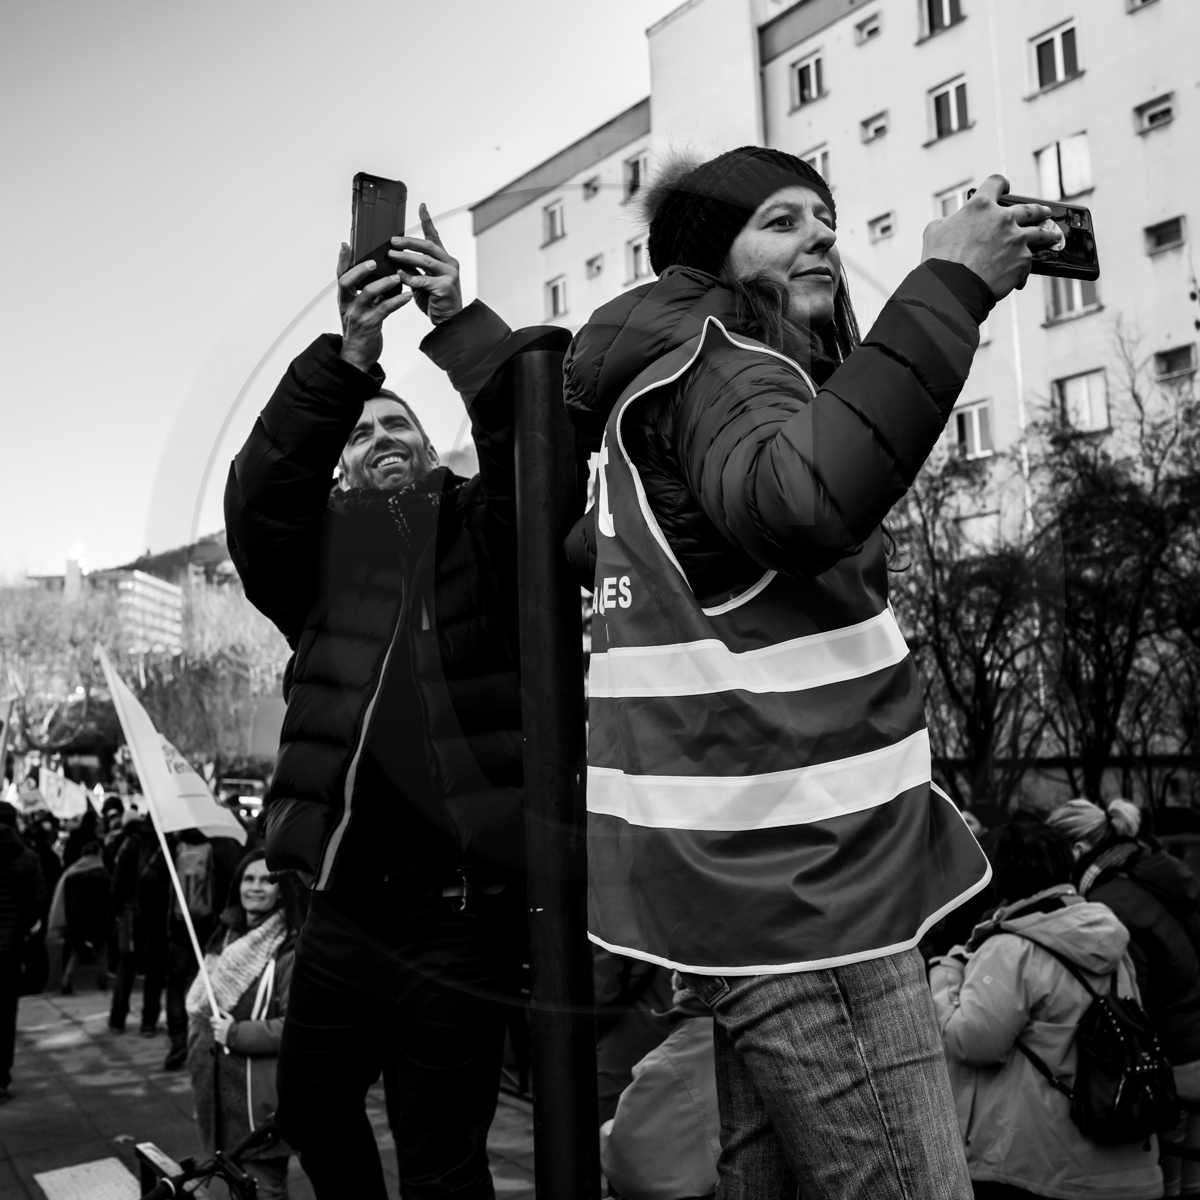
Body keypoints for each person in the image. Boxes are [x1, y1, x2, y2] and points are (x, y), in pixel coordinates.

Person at [562, 147, 1061, 1198]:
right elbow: (801, 502)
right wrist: (951, 284)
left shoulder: (693, 384)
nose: (821, 236)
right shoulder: (723, 363)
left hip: (762, 880)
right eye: (781, 222)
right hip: (802, 881)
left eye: (823, 218)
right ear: (712, 259)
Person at [226, 204, 534, 1199]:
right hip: (346, 910)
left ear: (433, 452)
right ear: (342, 468)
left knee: (440, 1155)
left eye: (398, 421)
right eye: (361, 431)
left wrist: (455, 319)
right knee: (311, 1114)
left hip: (457, 912)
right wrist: (353, 354)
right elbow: (260, 494)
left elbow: (539, 462)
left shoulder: (486, 538)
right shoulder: (314, 565)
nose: (380, 435)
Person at [930, 815, 1163, 1199]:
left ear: (998, 877)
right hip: (1123, 1158)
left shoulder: (1012, 949)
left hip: (1042, 1169)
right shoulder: (1107, 935)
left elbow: (971, 1042)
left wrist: (945, 970)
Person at [1048, 798, 1200, 1196]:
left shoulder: (1108, 905)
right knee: (1191, 1181)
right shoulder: (1149, 873)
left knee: (1164, 1186)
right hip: (1194, 1049)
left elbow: (1130, 1003)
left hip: (1170, 1065)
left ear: (1078, 851)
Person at [186, 850, 304, 1200]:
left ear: (282, 890)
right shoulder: (224, 937)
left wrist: (236, 1034)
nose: (254, 888)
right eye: (247, 879)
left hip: (259, 1105)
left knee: (265, 1191)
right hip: (219, 1099)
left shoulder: (289, 949)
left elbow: (296, 1028)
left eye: (265, 881)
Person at [0, 803, 46, 1103]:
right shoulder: (28, 859)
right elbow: (38, 903)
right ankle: (1, 1076)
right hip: (9, 950)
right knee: (5, 1014)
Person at [108, 815, 169, 1034]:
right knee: (155, 971)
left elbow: (118, 879)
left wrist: (117, 912)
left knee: (126, 967)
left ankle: (117, 1019)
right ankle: (148, 1023)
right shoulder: (168, 844)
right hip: (158, 916)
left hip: (130, 914)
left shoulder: (132, 842)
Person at [48, 838, 111, 993]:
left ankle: (66, 982)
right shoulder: (104, 875)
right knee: (102, 952)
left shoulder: (71, 875)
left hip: (77, 922)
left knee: (76, 953)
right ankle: (102, 985)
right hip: (100, 920)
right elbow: (110, 899)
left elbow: (65, 900)